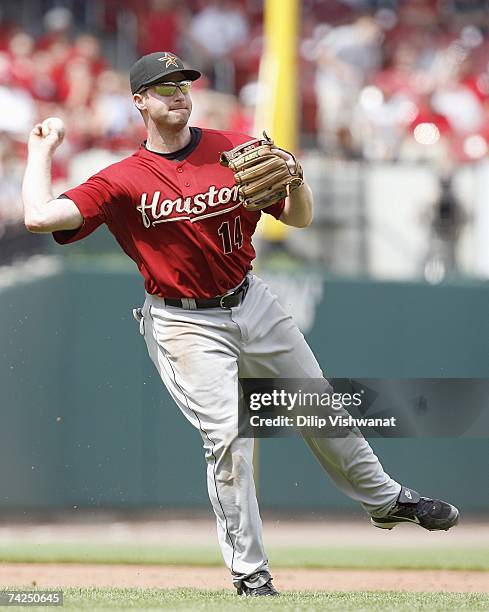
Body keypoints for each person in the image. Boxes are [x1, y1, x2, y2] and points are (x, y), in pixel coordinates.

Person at [22, 51, 459, 597]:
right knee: (229, 435)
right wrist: (40, 151)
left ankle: (386, 501)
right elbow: (38, 218)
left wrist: (295, 181)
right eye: (163, 87)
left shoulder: (234, 149)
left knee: (318, 407)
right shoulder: (122, 180)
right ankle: (251, 574)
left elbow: (299, 217)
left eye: (183, 83)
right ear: (139, 102)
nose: (178, 93)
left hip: (252, 300)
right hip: (185, 324)